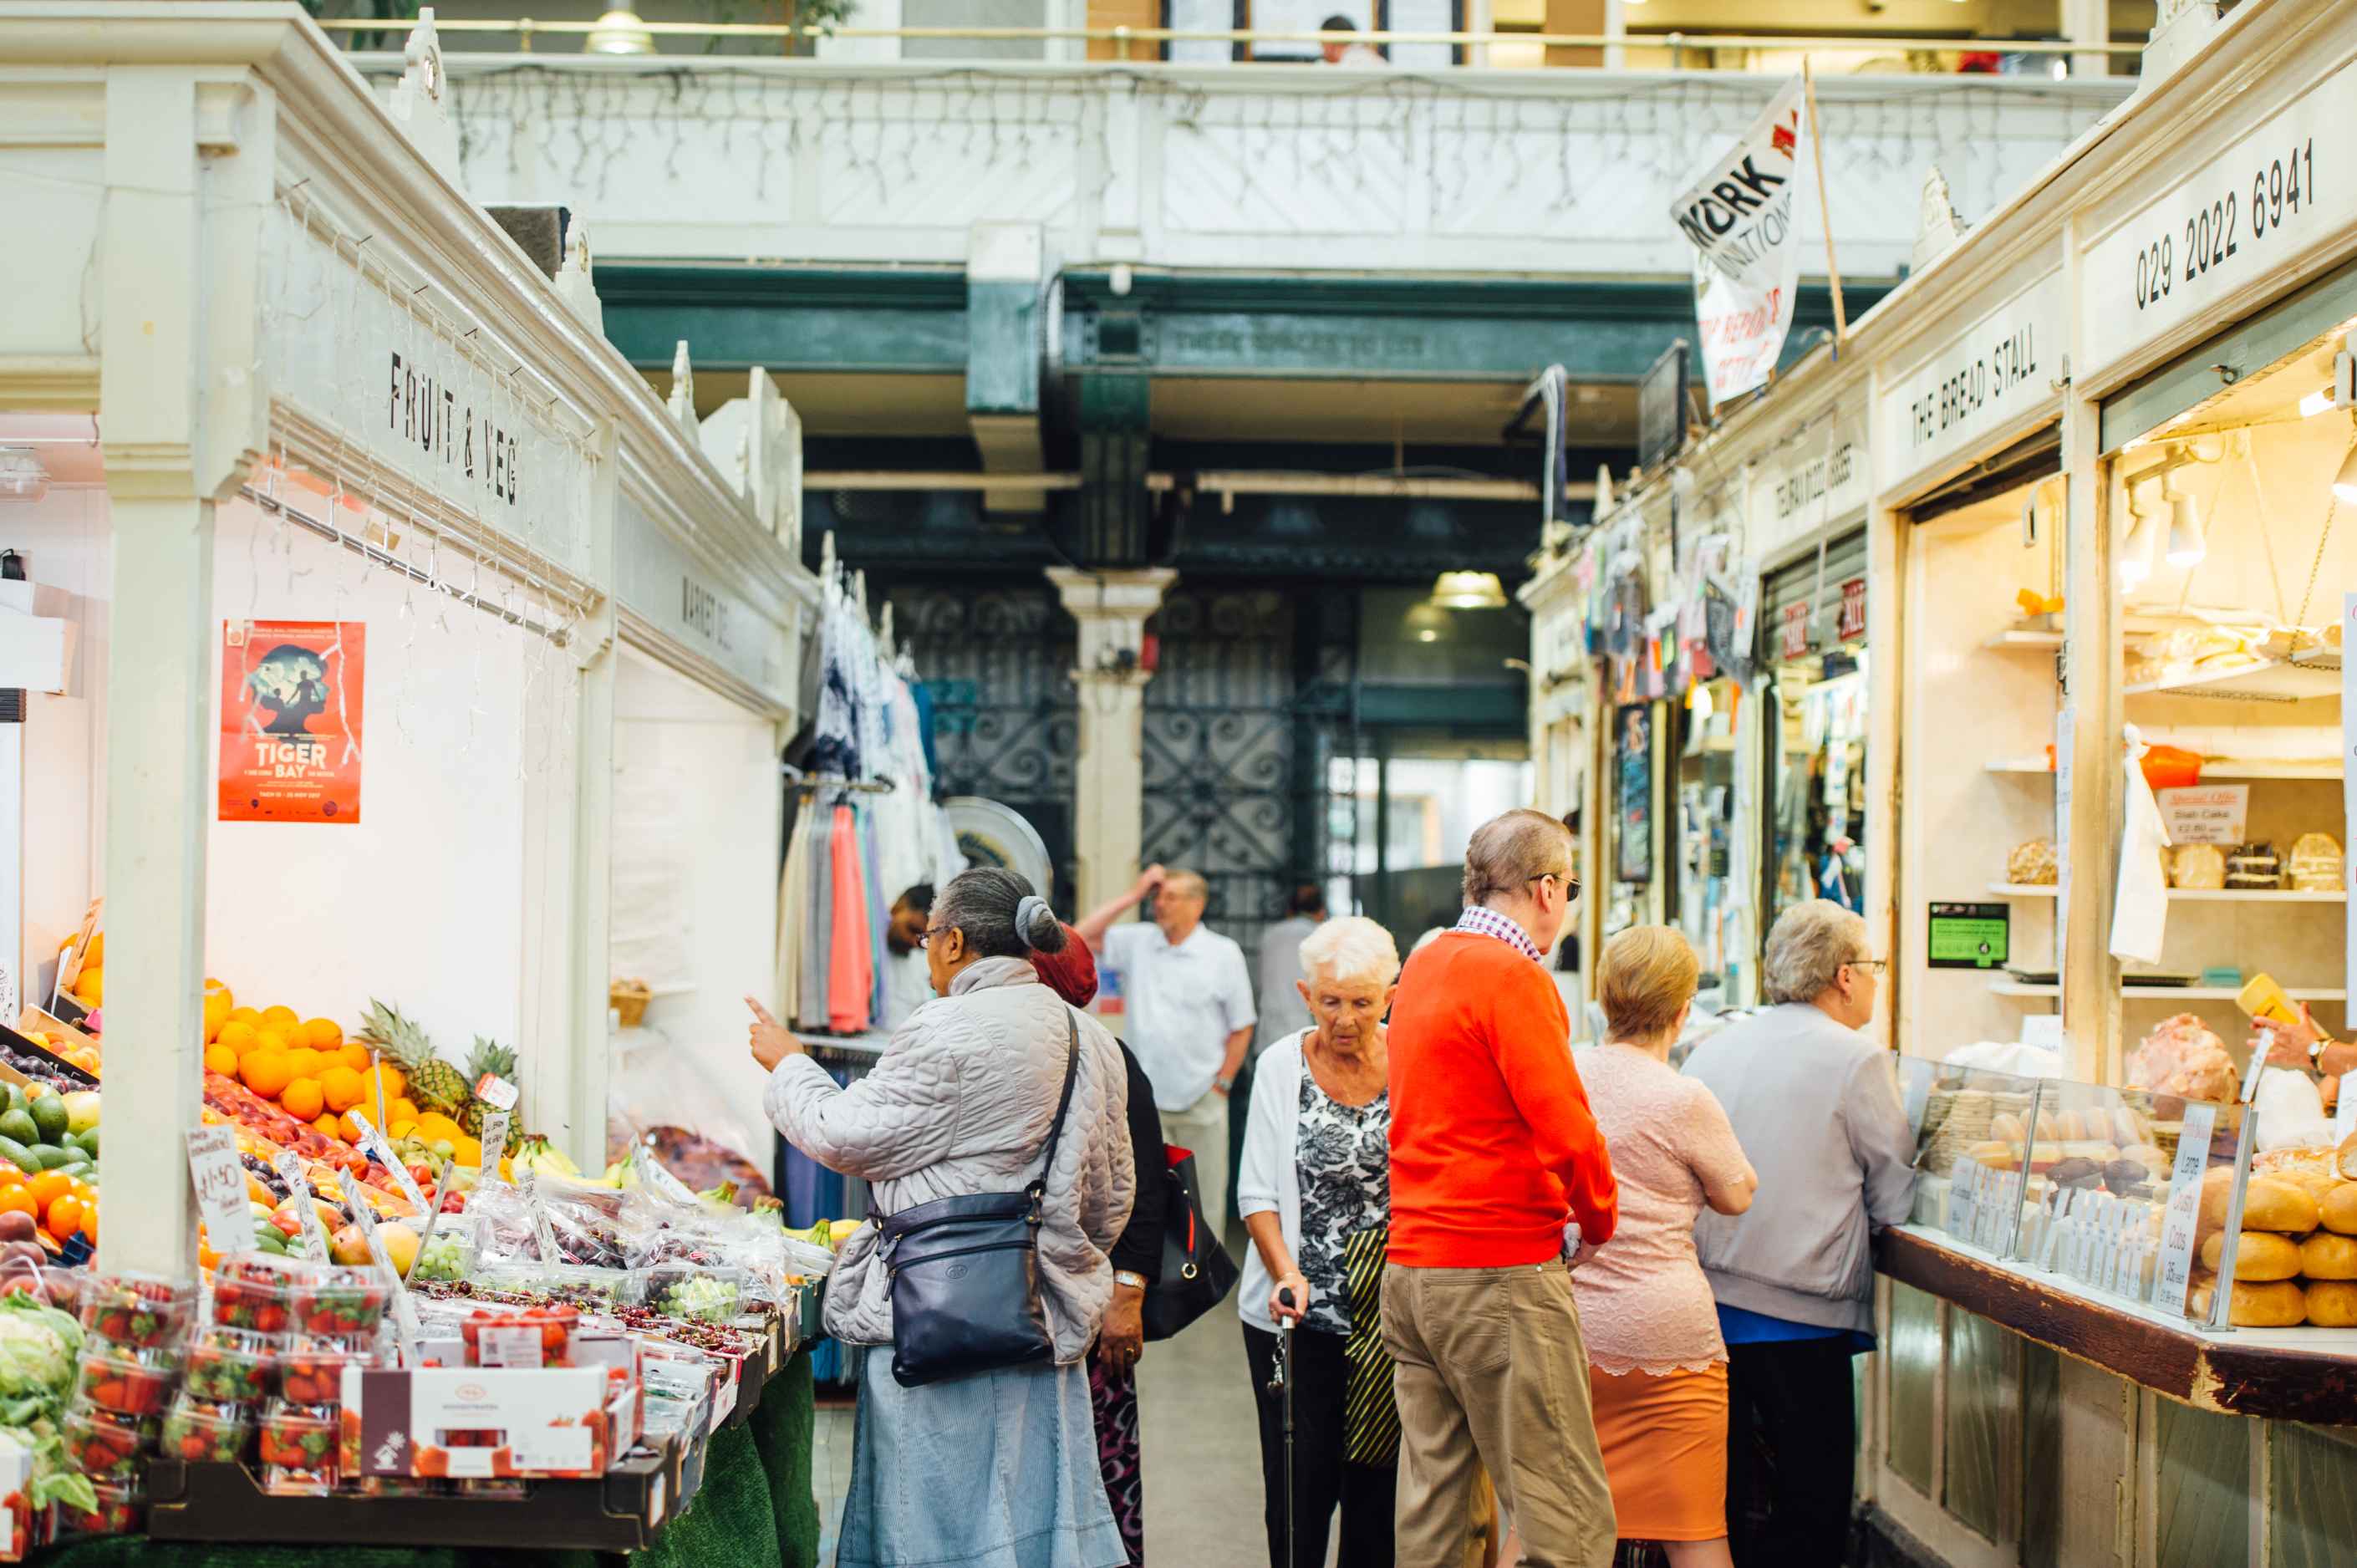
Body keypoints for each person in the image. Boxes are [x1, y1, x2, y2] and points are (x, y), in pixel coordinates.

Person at [750, 868, 1134, 1568]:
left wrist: (791, 1066)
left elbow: (843, 1135)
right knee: (1030, 1521)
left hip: (939, 1315)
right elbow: (1109, 1198)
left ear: (953, 941)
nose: (926, 953)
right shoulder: (1090, 1039)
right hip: (1043, 1320)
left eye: (929, 938)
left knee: (930, 1522)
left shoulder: (945, 1030)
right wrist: (1052, 1255)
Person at [1385, 807, 1620, 1568]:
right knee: (1564, 1515)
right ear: (1548, 889)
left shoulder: (1424, 964)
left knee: (1438, 1513)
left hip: (1414, 1270)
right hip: (1499, 1271)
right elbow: (1567, 1128)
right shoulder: (1512, 978)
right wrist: (1599, 1217)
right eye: (1572, 886)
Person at [1680, 899, 1916, 1568]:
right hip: (1800, 1316)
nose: (1874, 979)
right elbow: (1893, 1189)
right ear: (1845, 976)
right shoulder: (1857, 1060)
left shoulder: (1709, 1051)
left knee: (1723, 1502)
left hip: (1707, 1311)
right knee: (1811, 1503)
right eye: (1872, 966)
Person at [1575, 927, 1758, 1568]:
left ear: (1602, 999)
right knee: (1695, 1530)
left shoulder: (1559, 1075)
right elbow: (1737, 1195)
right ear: (1684, 1012)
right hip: (1667, 1339)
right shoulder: (1684, 1097)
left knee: (1551, 1527)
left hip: (1565, 1327)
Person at [1238, 915, 1400, 1568]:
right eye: (1330, 1001)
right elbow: (1257, 1195)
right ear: (1306, 996)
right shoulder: (1283, 1065)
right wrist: (1286, 1272)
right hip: (1296, 1316)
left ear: (1390, 995)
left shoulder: (1416, 1061)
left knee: (1377, 1486)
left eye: (1362, 1002)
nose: (1345, 1017)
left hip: (1389, 1318)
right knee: (1300, 1488)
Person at [1034, 924, 1165, 1568]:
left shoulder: (1112, 1060)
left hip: (1094, 1308)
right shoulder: (1022, 1058)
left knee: (1100, 1462)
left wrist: (1128, 1294)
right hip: (1037, 1309)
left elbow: (1148, 1189)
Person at [1077, 865, 1256, 1229]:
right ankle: (1153, 1283)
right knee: (1143, 1201)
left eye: (1170, 897)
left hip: (1201, 1100)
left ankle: (1204, 1283)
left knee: (1203, 1204)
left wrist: (1222, 1084)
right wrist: (1134, 895)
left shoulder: (1222, 953)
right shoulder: (1141, 942)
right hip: (1147, 1101)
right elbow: (1077, 938)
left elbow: (1242, 1026)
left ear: (1197, 905)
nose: (1160, 904)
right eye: (1157, 897)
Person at [1254, 883, 1326, 1056]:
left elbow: (1258, 983)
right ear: (1322, 911)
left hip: (1269, 1030)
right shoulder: (1323, 936)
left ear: (1289, 911)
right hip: (1307, 1031)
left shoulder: (1269, 935)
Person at [880, 883, 935, 1031]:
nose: (914, 942)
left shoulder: (918, 966)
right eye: (912, 930)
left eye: (923, 940)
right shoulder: (863, 939)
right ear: (900, 906)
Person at [1317, 13, 1385, 66]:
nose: (1323, 49)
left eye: (1322, 42)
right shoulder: (1369, 56)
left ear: (1330, 44)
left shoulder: (1354, 60)